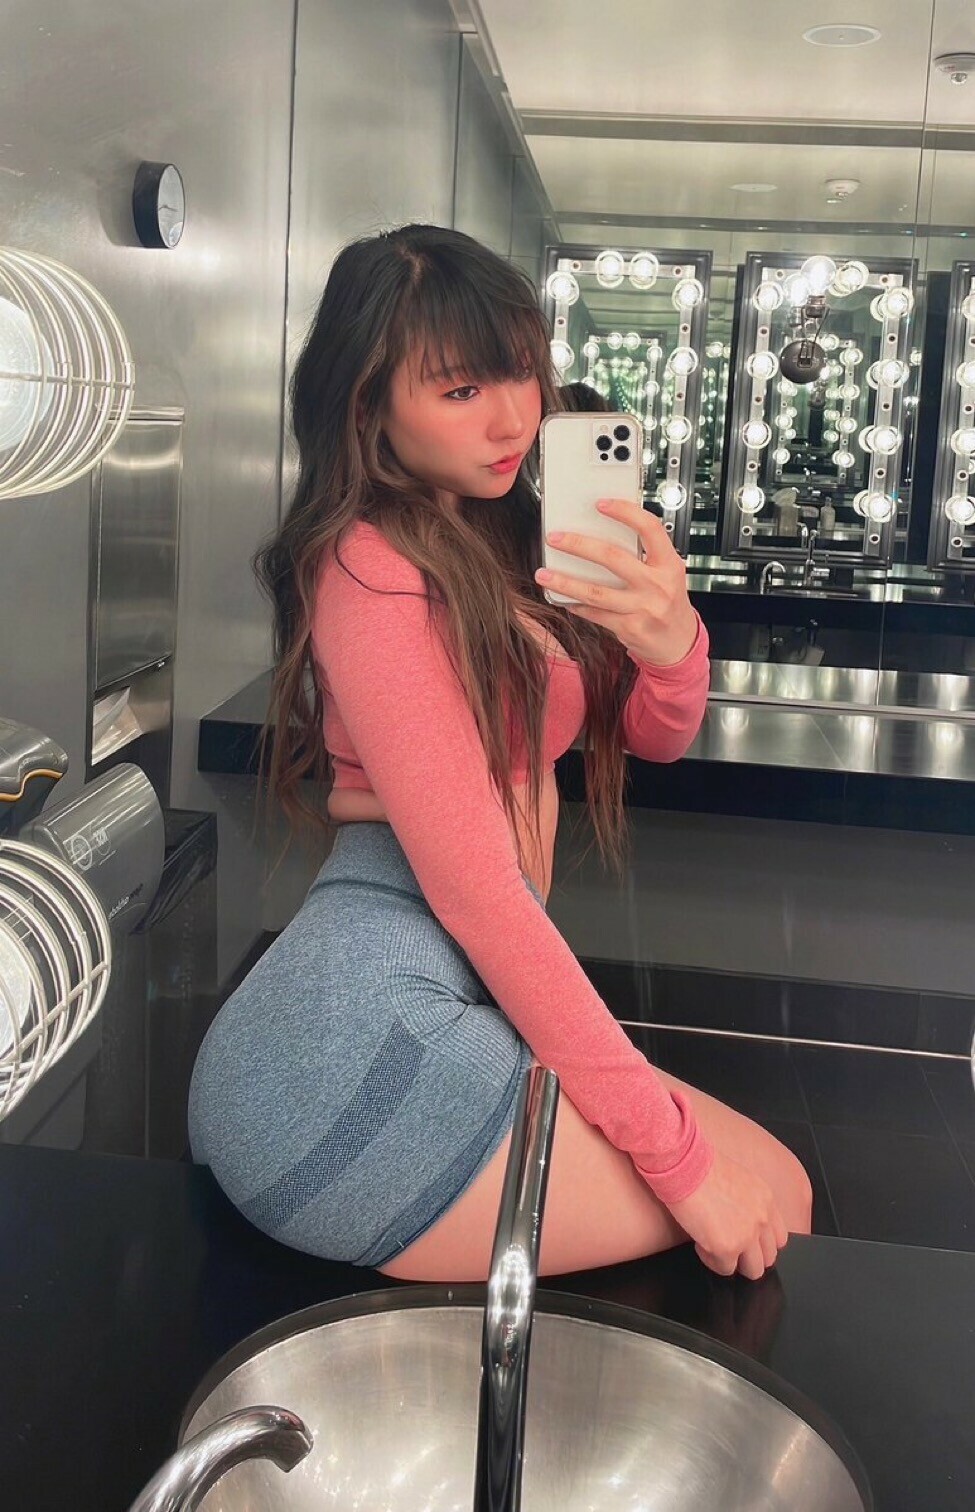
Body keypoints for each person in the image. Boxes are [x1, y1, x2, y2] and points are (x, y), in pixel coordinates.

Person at [188, 224, 811, 1285]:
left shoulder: (507, 537)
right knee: (764, 1202)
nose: (515, 416)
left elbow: (656, 737)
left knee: (774, 1192)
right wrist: (675, 1158)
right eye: (462, 389)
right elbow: (476, 891)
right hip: (346, 1045)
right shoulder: (370, 565)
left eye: (520, 370)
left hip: (431, 988)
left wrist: (673, 642)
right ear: (368, 404)